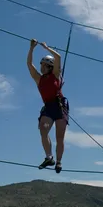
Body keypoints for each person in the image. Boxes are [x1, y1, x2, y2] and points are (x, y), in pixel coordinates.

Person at [27, 38, 69, 173]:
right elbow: (29, 64)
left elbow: (58, 57)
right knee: (43, 129)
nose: (41, 67)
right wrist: (32, 48)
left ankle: (59, 162)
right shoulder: (39, 78)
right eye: (41, 65)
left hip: (60, 106)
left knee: (59, 137)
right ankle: (49, 157)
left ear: (50, 67)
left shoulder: (56, 75)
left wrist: (47, 48)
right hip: (48, 107)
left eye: (44, 65)